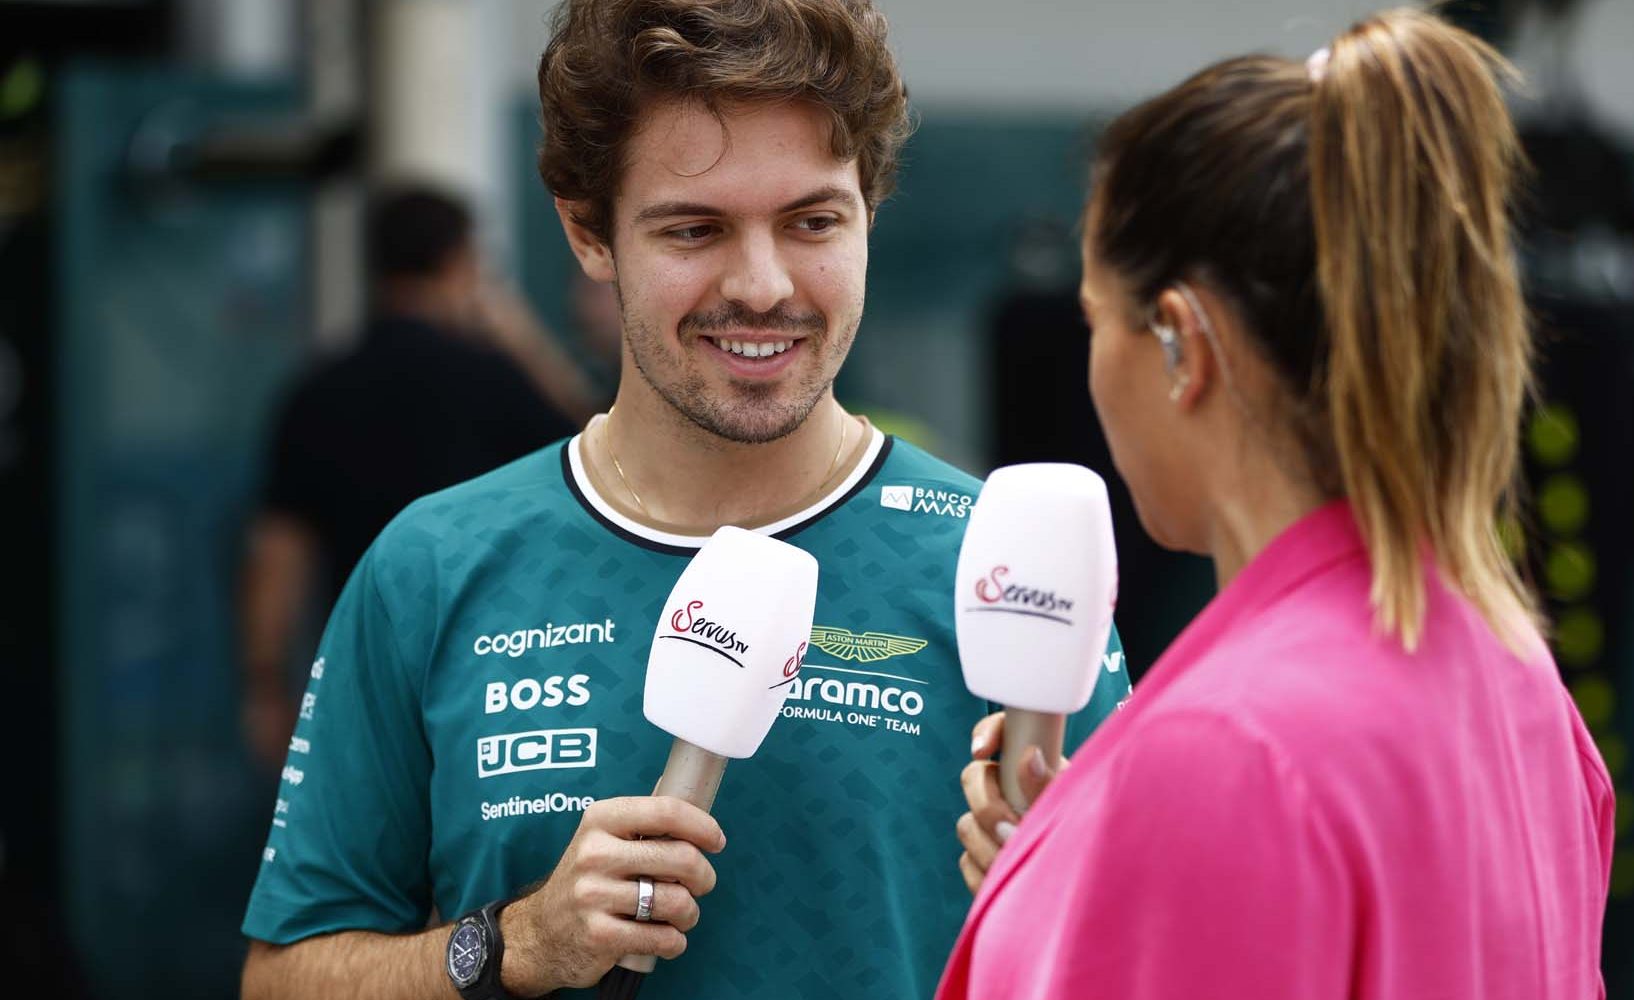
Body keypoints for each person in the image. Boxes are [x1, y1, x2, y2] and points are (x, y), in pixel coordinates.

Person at [237, 2, 1130, 999]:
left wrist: (1073, 914)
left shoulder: (1003, 572)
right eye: (695, 229)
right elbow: (283, 978)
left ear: (870, 213)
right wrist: (514, 944)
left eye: (813, 222)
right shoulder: (433, 566)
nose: (762, 285)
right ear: (588, 232)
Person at [942, 9, 1612, 998]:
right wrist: (1087, 877)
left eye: (1096, 319)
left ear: (1181, 343)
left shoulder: (1224, 753)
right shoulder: (1518, 681)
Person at [238, 186, 595, 771]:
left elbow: (279, 553)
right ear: (460, 261)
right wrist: (516, 333)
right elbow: (596, 446)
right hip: (487, 675)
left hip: (363, 672)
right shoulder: (491, 380)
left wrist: (266, 686)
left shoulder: (318, 390)